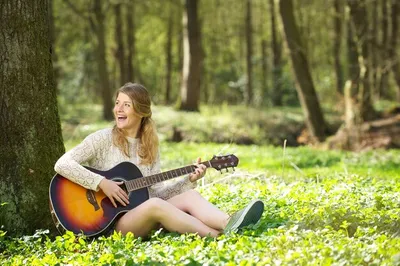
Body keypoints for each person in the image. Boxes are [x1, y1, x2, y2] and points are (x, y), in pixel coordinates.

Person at [54, 82, 264, 238]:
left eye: (126, 105)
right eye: (117, 103)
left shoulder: (149, 147)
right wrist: (102, 183)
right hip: (107, 225)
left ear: (141, 111)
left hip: (138, 214)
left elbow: (155, 194)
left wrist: (188, 180)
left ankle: (230, 222)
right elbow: (62, 164)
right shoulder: (101, 139)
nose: (118, 109)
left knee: (189, 195)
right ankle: (217, 236)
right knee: (155, 205)